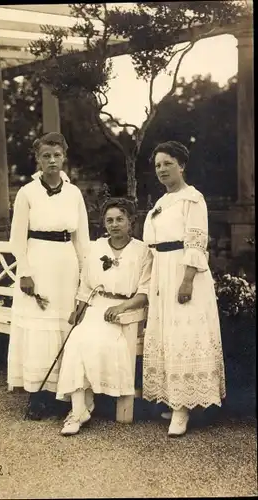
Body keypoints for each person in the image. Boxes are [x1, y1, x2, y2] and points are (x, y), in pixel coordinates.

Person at [142, 141, 226, 437]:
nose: (162, 170)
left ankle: (183, 410)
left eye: (167, 163)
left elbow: (195, 242)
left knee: (184, 334)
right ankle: (173, 398)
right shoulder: (161, 203)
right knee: (167, 335)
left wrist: (187, 279)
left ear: (181, 165)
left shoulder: (193, 199)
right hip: (162, 272)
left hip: (184, 272)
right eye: (157, 166)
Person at [7, 132, 90, 419]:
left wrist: (86, 274)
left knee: (63, 325)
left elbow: (82, 239)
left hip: (66, 264)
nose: (52, 160)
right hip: (38, 262)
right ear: (38, 159)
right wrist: (25, 273)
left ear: (64, 157)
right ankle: (36, 394)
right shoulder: (27, 193)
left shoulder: (74, 193)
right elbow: (17, 238)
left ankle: (62, 393)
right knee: (38, 327)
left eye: (56, 155)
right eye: (46, 156)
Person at [56, 198, 153, 435]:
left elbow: (145, 291)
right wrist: (77, 312)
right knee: (76, 341)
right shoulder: (96, 247)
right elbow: (86, 285)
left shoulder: (142, 251)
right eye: (109, 220)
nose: (115, 224)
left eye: (120, 219)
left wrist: (122, 307)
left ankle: (86, 404)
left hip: (123, 312)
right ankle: (79, 410)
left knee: (95, 341)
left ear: (131, 221)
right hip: (96, 306)